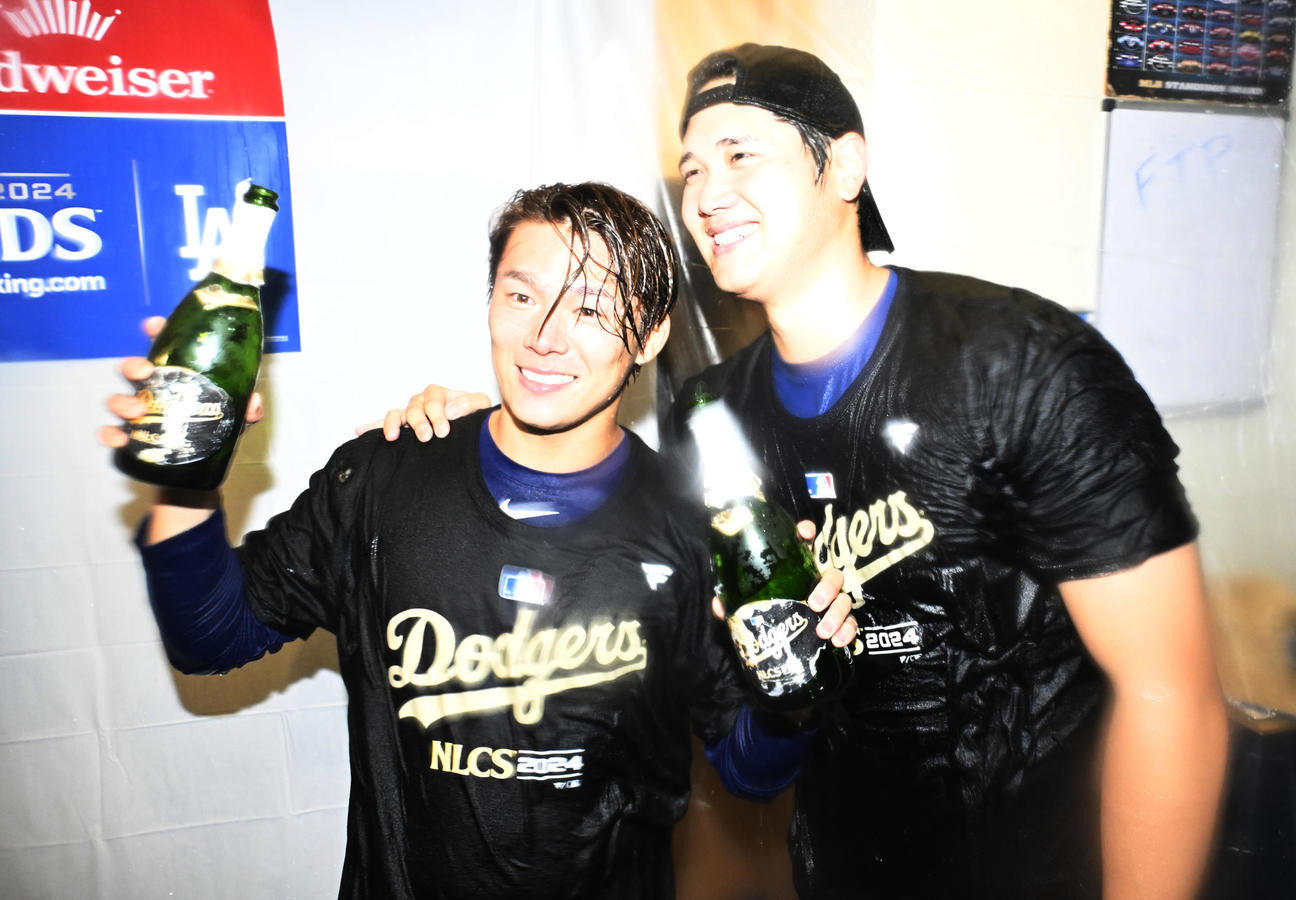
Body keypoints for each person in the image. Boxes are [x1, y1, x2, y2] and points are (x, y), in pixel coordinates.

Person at [383, 46, 1229, 900]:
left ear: (846, 166)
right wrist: (495, 435)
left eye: (740, 154)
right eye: (692, 169)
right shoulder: (712, 417)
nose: (706, 195)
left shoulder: (1018, 365)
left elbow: (1171, 694)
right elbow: (744, 733)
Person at [99, 181, 853, 899]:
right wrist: (188, 473)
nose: (545, 338)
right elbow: (208, 635)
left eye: (592, 308)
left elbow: (753, 771)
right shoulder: (384, 478)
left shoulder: (698, 529)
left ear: (651, 335)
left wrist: (799, 677)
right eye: (521, 296)